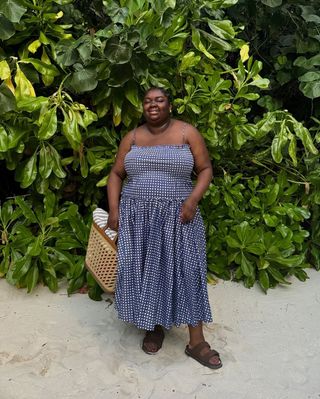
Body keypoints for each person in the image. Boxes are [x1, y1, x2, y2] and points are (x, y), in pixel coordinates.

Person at [107, 87, 222, 369]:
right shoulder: (132, 137)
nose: (153, 105)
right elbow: (116, 173)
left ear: (169, 105)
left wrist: (193, 200)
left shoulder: (187, 133)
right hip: (138, 217)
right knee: (149, 270)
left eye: (159, 100)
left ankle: (197, 342)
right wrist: (114, 209)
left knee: (189, 270)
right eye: (147, 101)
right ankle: (154, 326)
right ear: (143, 107)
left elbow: (205, 169)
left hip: (179, 215)